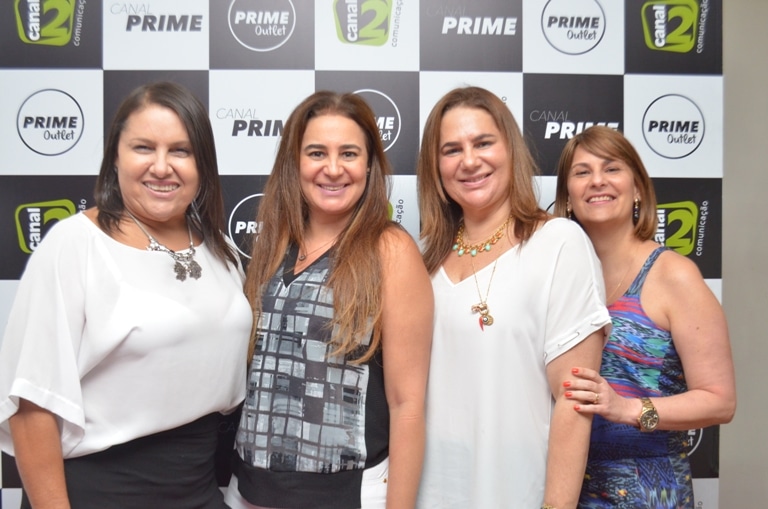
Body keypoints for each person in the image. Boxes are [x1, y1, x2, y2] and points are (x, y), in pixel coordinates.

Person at [0, 81, 252, 508]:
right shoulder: (75, 244)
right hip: (101, 493)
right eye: (143, 148)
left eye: (181, 150)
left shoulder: (219, 250)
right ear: (115, 156)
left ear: (202, 164)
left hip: (199, 487)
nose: (161, 166)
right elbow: (31, 406)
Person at [224, 91, 433, 509]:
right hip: (247, 491)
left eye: (349, 154)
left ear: (369, 165)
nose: (333, 169)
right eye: (317, 153)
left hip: (347, 494)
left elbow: (407, 405)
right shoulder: (273, 244)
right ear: (295, 162)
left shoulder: (389, 249)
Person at [415, 86, 610, 509]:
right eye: (452, 149)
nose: (469, 161)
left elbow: (575, 400)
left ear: (511, 150)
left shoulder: (559, 243)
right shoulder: (422, 261)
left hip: (516, 493)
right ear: (435, 166)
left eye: (483, 143)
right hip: (427, 494)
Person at [554, 125, 736, 508]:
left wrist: (628, 408)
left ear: (637, 188)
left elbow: (720, 401)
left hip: (649, 490)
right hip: (562, 485)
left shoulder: (673, 275)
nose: (597, 181)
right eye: (582, 172)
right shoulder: (556, 278)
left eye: (612, 168)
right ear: (567, 197)